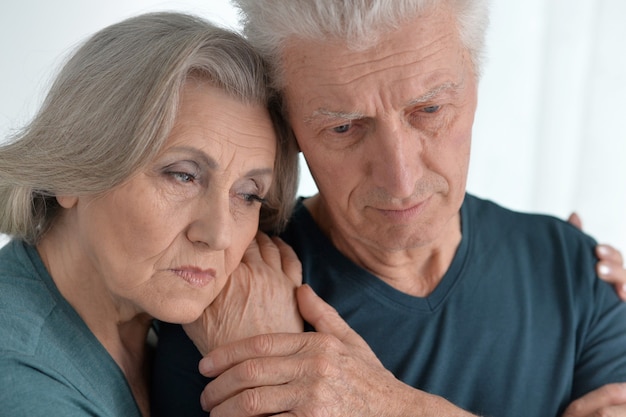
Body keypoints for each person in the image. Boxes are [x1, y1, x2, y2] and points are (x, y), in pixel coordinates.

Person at [152, 1, 626, 416]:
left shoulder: (574, 269)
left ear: (477, 84)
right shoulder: (226, 303)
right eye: (344, 128)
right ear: (287, 129)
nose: (400, 180)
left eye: (430, 110)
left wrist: (391, 407)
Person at [0, 11, 301, 416]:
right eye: (182, 176)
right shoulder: (21, 380)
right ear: (71, 174)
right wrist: (266, 378)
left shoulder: (162, 329)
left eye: (248, 195)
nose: (219, 234)